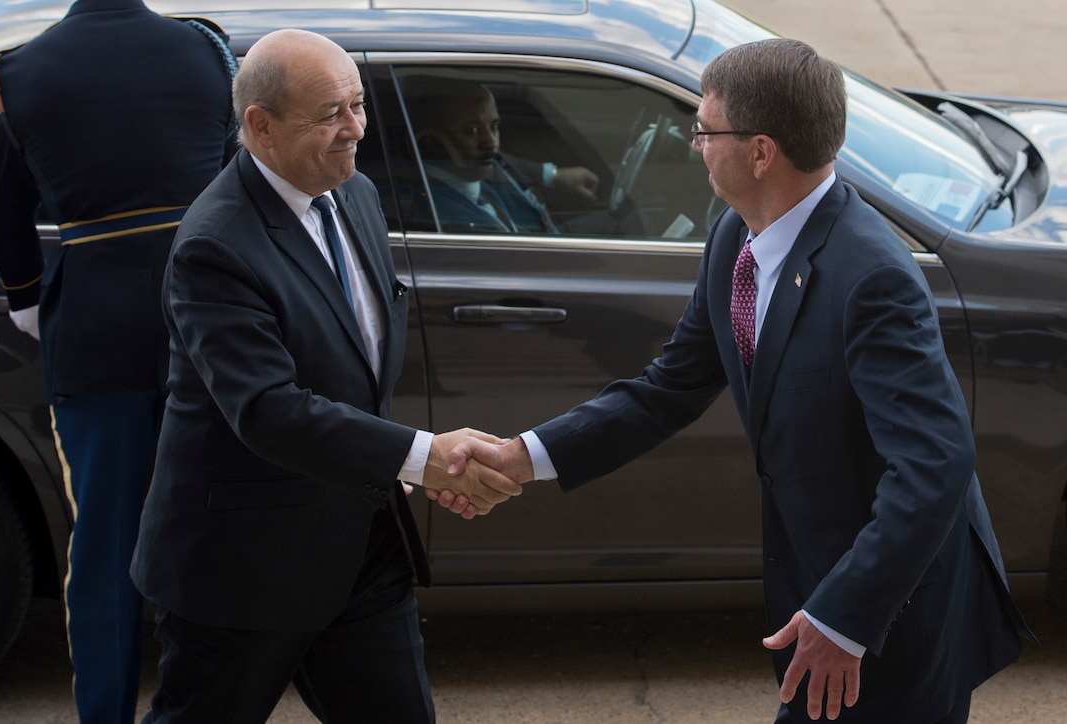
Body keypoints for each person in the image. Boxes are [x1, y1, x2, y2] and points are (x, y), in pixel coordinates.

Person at [438, 39, 1036, 723]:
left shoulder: (871, 279)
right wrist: (523, 456)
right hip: (824, 594)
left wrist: (845, 619)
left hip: (894, 613)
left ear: (761, 153)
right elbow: (670, 387)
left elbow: (935, 464)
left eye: (704, 129)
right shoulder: (737, 236)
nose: (694, 143)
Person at [129, 28, 519, 723]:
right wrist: (424, 457)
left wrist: (403, 469)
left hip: (360, 553)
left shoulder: (356, 195)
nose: (355, 130)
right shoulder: (215, 245)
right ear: (261, 126)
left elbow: (349, 372)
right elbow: (268, 409)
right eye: (331, 114)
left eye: (359, 106)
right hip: (243, 569)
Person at [0, 2, 238, 720]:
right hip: (208, 318)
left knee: (105, 549)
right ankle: (204, 707)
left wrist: (29, 296)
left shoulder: (11, 72)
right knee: (211, 530)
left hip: (93, 328)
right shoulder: (203, 49)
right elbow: (234, 180)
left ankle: (106, 712)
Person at [403, 75, 599, 233]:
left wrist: (554, 176)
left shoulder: (470, 165)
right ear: (432, 141)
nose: (491, 143)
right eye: (472, 130)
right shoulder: (451, 219)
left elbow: (501, 162)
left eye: (494, 126)